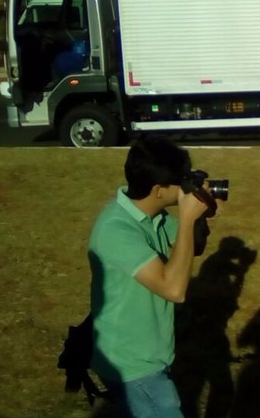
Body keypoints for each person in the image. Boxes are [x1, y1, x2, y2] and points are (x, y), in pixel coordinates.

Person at [88, 136, 214, 418]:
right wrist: (188, 218)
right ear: (158, 190)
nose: (185, 186)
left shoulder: (149, 214)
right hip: (133, 364)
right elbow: (174, 289)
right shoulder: (117, 231)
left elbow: (193, 248)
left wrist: (200, 213)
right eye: (180, 181)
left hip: (146, 352)